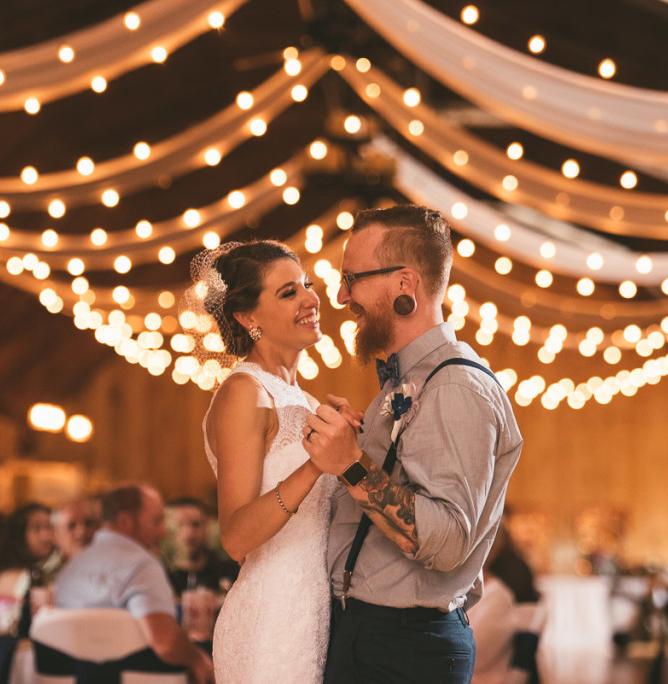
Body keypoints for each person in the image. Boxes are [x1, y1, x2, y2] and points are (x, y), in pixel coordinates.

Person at [302, 205, 524, 683]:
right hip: (375, 636)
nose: (341, 296)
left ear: (405, 284)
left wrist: (352, 464)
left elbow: (444, 542)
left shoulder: (454, 386)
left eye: (351, 278)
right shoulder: (407, 382)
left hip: (402, 649)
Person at [192, 240, 334, 682]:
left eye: (306, 286)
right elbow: (235, 537)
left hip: (312, 614)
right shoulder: (243, 392)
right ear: (247, 318)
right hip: (269, 619)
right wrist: (315, 465)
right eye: (288, 292)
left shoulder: (305, 399)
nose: (311, 298)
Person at [53, 483, 214, 684]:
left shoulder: (71, 568)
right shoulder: (141, 565)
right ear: (125, 521)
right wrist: (198, 658)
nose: (163, 534)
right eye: (156, 522)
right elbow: (166, 644)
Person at [163, 497, 238, 597]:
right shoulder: (161, 575)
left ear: (207, 526)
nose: (189, 534)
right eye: (180, 526)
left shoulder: (230, 571)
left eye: (196, 525)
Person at [51, 497, 100, 564]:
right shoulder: (46, 573)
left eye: (88, 523)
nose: (82, 532)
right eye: (71, 526)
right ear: (55, 536)